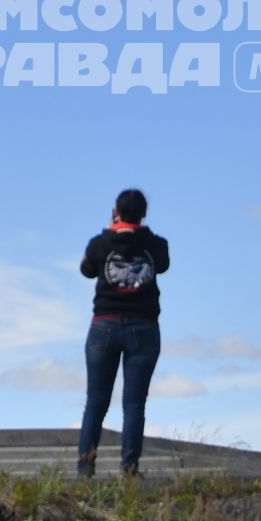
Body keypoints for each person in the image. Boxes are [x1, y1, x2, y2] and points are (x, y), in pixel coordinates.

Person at [77, 188, 170, 477]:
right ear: (144, 213)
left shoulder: (99, 243)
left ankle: (85, 465)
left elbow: (87, 270)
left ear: (115, 211)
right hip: (144, 327)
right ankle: (129, 467)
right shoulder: (156, 245)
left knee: (96, 401)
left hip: (103, 324)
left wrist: (111, 231)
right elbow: (163, 266)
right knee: (134, 404)